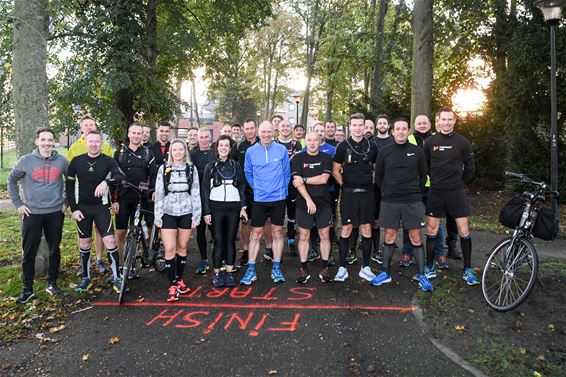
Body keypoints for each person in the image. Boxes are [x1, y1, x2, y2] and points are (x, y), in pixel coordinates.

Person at [370, 118, 433, 291]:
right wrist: (387, 191)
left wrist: (415, 192)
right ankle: (385, 272)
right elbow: (379, 176)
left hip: (412, 200)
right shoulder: (385, 151)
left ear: (408, 131)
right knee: (389, 236)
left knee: (415, 237)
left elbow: (423, 175)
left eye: (404, 129)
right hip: (390, 200)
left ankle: (421, 274)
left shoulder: (417, 151)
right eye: (397, 129)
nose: (400, 132)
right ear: (393, 131)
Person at [8, 128, 68, 303]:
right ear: (37, 141)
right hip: (32, 213)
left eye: (50, 140)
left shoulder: (62, 161)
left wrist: (67, 202)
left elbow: (71, 181)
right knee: (28, 252)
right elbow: (11, 180)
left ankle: (52, 283)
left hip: (55, 212)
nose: (47, 143)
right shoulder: (26, 161)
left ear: (54, 142)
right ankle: (27, 289)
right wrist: (18, 203)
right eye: (43, 140)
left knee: (54, 249)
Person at [423, 107, 478, 285]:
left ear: (454, 121)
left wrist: (460, 183)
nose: (447, 122)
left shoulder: (463, 142)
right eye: (443, 119)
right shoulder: (430, 142)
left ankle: (468, 269)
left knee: (464, 231)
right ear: (437, 121)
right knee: (431, 230)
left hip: (456, 192)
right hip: (436, 192)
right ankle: (429, 267)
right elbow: (425, 166)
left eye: (450, 119)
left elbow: (470, 168)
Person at [66, 130, 125, 293]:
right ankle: (86, 277)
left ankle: (117, 277)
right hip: (82, 209)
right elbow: (69, 187)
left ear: (101, 143)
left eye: (97, 141)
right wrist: (74, 209)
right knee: (84, 243)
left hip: (101, 208)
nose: (93, 144)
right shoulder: (76, 161)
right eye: (90, 141)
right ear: (85, 142)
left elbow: (120, 176)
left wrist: (106, 182)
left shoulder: (108, 161)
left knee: (110, 242)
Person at [240, 121, 290, 285]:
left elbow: (286, 173)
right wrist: (258, 188)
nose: (266, 135)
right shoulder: (250, 151)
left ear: (273, 132)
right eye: (264, 132)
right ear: (258, 133)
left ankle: (276, 267)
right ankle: (251, 269)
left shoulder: (281, 149)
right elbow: (248, 172)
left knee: (277, 232)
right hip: (260, 199)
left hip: (278, 199)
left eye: (269, 132)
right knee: (255, 234)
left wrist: (280, 190)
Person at [332, 113, 378, 282]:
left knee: (367, 229)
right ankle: (342, 267)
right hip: (349, 195)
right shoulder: (342, 146)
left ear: (365, 126)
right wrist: (345, 185)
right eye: (355, 125)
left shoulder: (372, 146)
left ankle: (365, 267)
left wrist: (369, 183)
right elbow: (335, 170)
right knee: (346, 229)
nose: (358, 128)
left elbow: (376, 168)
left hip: (367, 194)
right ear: (350, 126)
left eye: (361, 125)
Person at [154, 139, 201, 302]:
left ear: (185, 151)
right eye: (175, 150)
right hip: (168, 212)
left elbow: (196, 192)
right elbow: (159, 192)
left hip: (186, 212)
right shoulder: (163, 169)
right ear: (171, 152)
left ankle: (179, 279)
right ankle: (172, 284)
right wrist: (158, 216)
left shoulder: (191, 169)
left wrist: (197, 215)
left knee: (182, 248)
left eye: (181, 149)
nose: (178, 152)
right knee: (170, 249)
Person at [67, 114, 113, 274]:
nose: (89, 127)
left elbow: (112, 171)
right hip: (83, 202)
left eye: (91, 125)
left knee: (102, 232)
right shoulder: (74, 150)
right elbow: (71, 179)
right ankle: (84, 265)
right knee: (84, 237)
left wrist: (106, 183)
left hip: (101, 200)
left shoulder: (105, 146)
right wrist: (73, 207)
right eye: (86, 125)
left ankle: (100, 260)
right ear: (81, 129)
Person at [399, 114, 447, 269]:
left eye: (424, 123)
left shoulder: (438, 139)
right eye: (418, 123)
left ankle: (440, 254)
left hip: (434, 187)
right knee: (409, 221)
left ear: (430, 124)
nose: (421, 125)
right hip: (413, 188)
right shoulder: (409, 139)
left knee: (436, 223)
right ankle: (408, 253)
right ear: (414, 125)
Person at [202, 135, 247, 287]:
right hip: (216, 208)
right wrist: (206, 212)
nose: (223, 148)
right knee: (218, 240)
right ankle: (216, 273)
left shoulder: (235, 165)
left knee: (230, 240)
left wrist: (243, 207)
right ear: (217, 147)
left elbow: (241, 186)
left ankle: (229, 272)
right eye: (221, 145)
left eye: (226, 146)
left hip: (233, 208)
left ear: (230, 148)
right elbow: (205, 190)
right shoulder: (210, 166)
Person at [111, 123, 157, 271]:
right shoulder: (119, 153)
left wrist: (153, 191)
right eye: (134, 133)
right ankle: (120, 265)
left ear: (143, 135)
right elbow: (113, 178)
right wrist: (114, 200)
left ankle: (143, 256)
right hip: (124, 196)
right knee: (121, 231)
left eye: (139, 133)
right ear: (128, 134)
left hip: (143, 197)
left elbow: (154, 175)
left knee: (144, 229)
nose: (137, 136)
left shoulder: (148, 153)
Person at [292, 132, 334, 284]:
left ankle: (325, 267)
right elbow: (296, 183)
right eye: (309, 140)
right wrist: (309, 200)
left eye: (315, 140)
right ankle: (303, 268)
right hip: (304, 203)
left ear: (320, 141)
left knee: (324, 235)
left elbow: (323, 179)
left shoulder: (326, 158)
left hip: (323, 203)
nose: (312, 143)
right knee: (303, 235)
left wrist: (304, 179)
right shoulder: (298, 158)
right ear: (305, 141)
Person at [304, 123, 337, 264]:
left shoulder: (331, 150)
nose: (319, 133)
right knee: (310, 224)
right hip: (309, 193)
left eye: (321, 131)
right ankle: (313, 249)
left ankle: (327, 254)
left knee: (327, 224)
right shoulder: (305, 150)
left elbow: (333, 171)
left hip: (328, 191)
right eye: (316, 130)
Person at [190, 128, 216, 273]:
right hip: (197, 197)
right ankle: (203, 259)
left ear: (210, 138)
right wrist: (208, 171)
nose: (204, 140)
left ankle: (220, 258)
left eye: (207, 137)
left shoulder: (215, 153)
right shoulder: (193, 154)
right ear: (198, 139)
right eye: (202, 137)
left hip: (213, 197)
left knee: (215, 230)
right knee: (200, 231)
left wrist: (203, 172)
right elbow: (192, 173)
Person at [275, 119, 302, 256]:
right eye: (283, 126)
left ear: (291, 129)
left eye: (287, 126)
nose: (285, 128)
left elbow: (299, 164)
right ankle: (277, 243)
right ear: (278, 128)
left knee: (292, 216)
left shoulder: (296, 144)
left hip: (292, 186)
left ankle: (291, 241)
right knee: (278, 216)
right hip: (277, 186)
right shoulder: (274, 144)